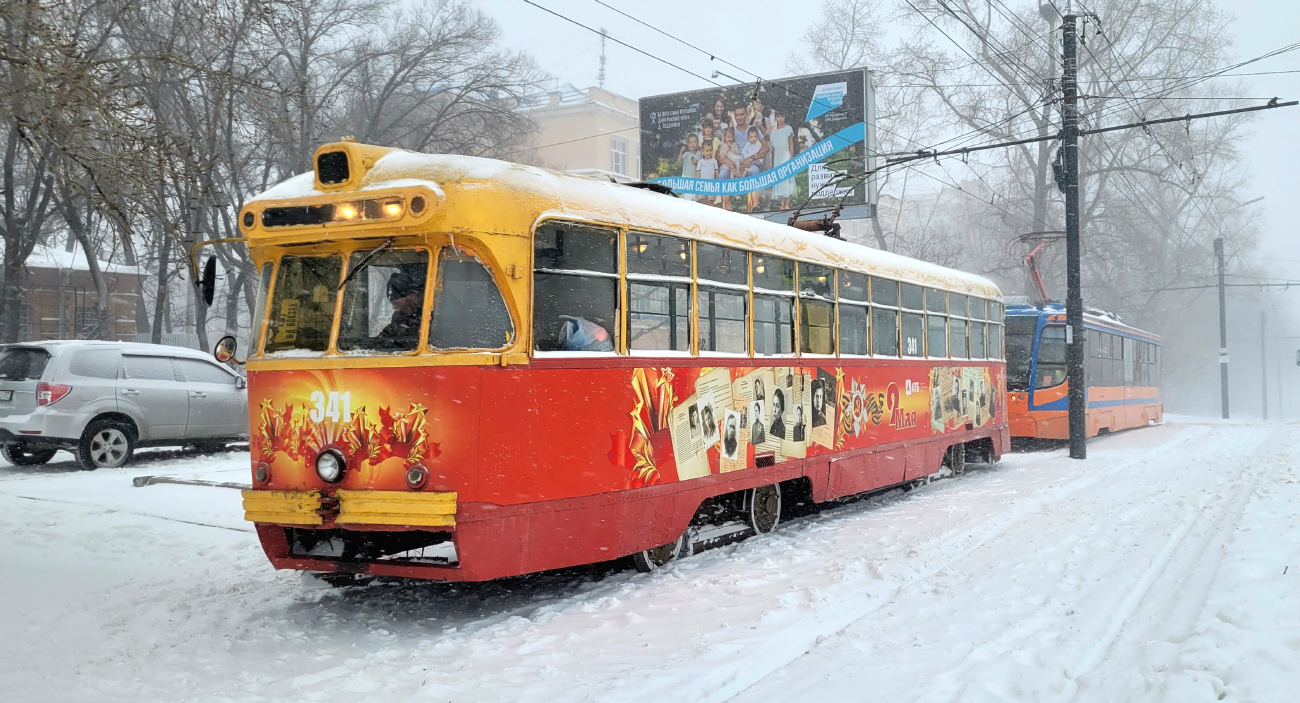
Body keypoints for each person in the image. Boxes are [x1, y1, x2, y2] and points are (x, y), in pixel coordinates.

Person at [364, 270, 424, 350]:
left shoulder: (431, 313)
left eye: (402, 305)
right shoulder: (400, 317)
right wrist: (369, 345)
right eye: (394, 306)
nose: (398, 309)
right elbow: (389, 334)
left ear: (411, 295)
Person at [769, 111, 795, 209]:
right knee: (780, 179)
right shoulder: (774, 132)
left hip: (786, 156)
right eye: (778, 116)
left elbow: (791, 144)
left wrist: (791, 157)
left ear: (785, 117)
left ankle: (788, 203)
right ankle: (782, 203)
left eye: (782, 116)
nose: (779, 119)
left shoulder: (788, 129)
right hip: (777, 158)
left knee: (787, 179)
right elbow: (773, 149)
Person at [697, 141, 719, 206]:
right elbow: (698, 172)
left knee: (711, 201)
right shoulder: (700, 162)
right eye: (707, 151)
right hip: (702, 184)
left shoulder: (714, 161)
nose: (709, 153)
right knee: (703, 201)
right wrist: (697, 182)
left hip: (712, 184)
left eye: (710, 150)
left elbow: (716, 171)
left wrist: (717, 180)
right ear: (702, 151)